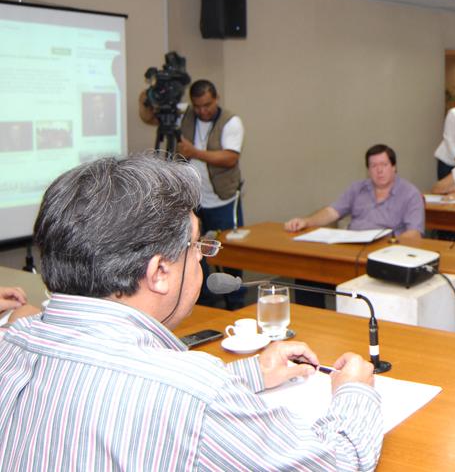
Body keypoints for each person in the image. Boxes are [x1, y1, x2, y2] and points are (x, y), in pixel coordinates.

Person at [0, 154, 382, 470]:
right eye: (197, 245)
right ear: (159, 273)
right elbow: (338, 461)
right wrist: (354, 391)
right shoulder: (194, 393)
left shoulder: (12, 341)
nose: (201, 257)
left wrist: (250, 373)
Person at [140, 79, 244, 306]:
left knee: (229, 256)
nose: (202, 111)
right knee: (193, 255)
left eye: (207, 105)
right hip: (192, 200)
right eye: (197, 106)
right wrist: (148, 96)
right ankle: (204, 301)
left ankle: (236, 302)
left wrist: (194, 152)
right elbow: (149, 117)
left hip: (221, 200)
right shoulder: (184, 114)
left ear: (216, 99)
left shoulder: (230, 122)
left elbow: (230, 158)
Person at [286, 144, 424, 240]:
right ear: (368, 170)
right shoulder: (357, 188)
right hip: (352, 247)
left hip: (387, 251)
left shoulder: (410, 194)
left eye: (384, 164)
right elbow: (332, 212)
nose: (379, 170)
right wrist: (306, 221)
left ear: (394, 167)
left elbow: (415, 234)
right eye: (373, 166)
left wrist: (389, 244)